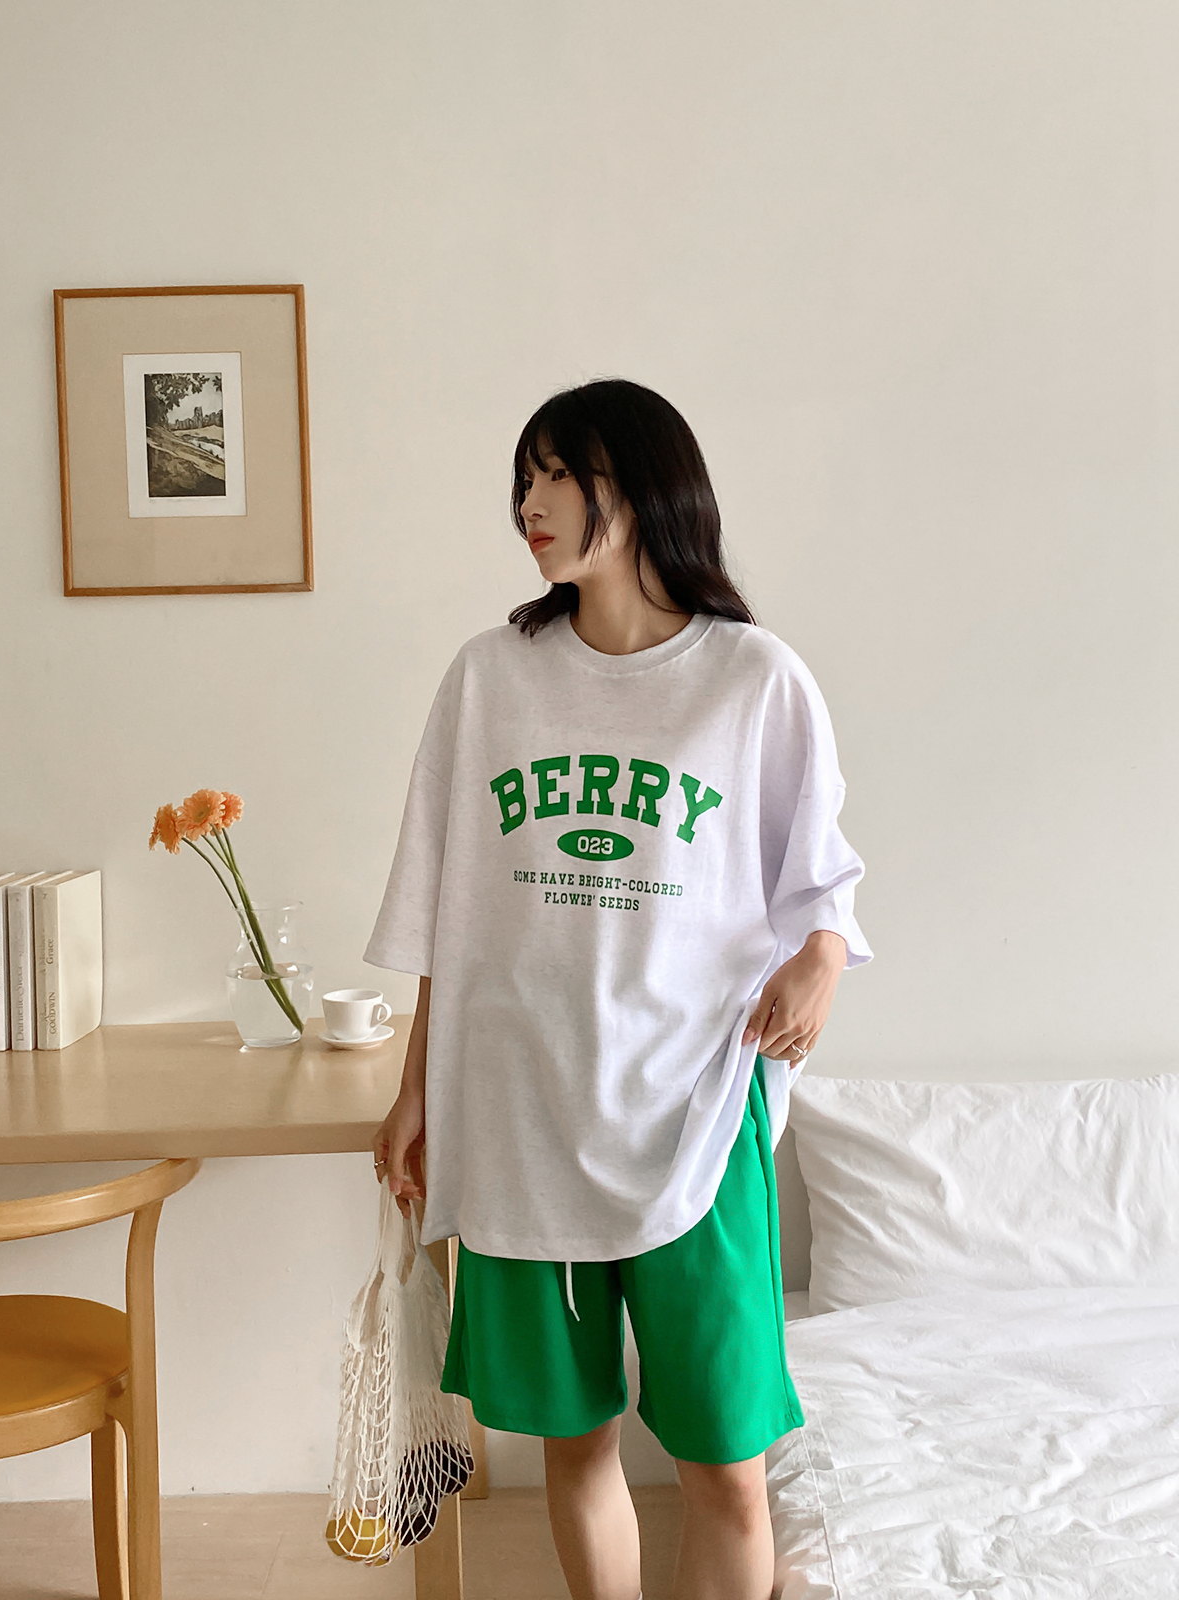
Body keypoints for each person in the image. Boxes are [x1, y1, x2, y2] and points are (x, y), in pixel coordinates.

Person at [367, 377, 873, 1600]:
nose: (529, 504)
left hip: (698, 1113)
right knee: (574, 1441)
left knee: (728, 1467)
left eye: (558, 475)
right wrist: (417, 1084)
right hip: (522, 1111)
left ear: (640, 485)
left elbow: (823, 883)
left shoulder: (753, 679)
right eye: (524, 479)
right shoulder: (491, 677)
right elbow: (445, 906)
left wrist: (819, 961)